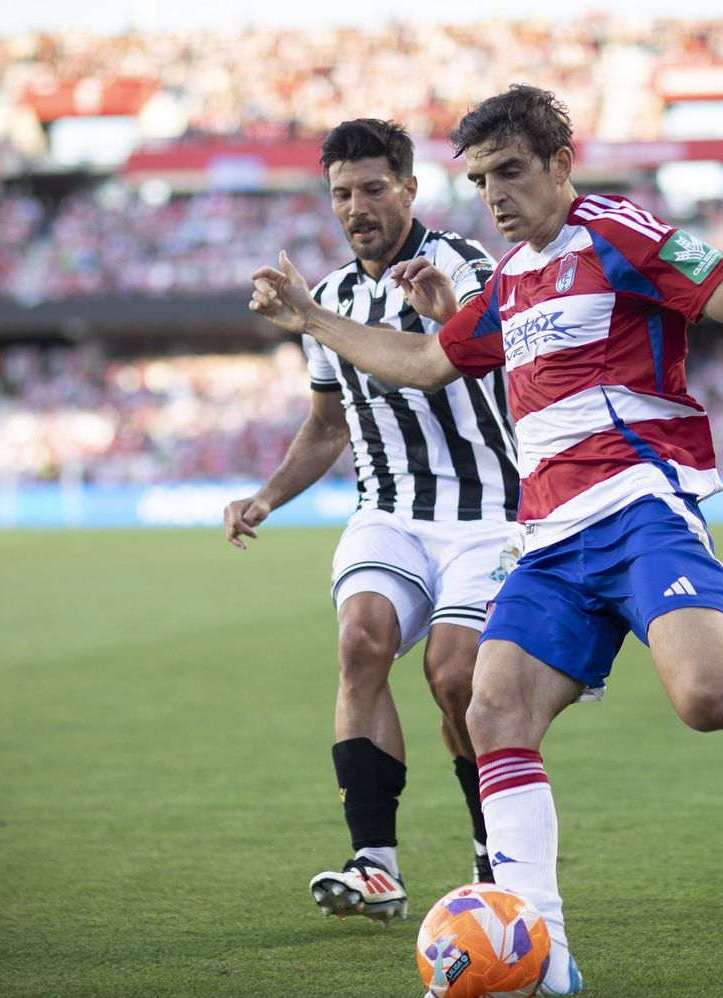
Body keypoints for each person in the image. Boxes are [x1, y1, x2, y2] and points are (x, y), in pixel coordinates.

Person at [249, 86, 723, 995]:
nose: (497, 196)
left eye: (512, 172)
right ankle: (538, 948)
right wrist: (314, 320)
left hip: (642, 511)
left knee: (713, 697)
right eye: (481, 180)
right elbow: (429, 366)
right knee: (492, 710)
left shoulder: (620, 232)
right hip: (548, 540)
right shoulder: (507, 279)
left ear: (561, 163)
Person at [223, 119, 521, 926]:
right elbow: (328, 426)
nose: (357, 207)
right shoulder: (330, 296)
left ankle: (495, 846)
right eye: (342, 193)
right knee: (361, 640)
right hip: (388, 511)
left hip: (489, 515)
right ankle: (376, 864)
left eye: (373, 189)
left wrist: (450, 312)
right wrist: (266, 496)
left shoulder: (463, 263)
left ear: (410, 189)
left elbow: (456, 369)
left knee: (456, 676)